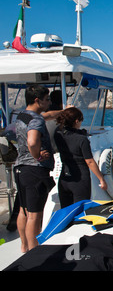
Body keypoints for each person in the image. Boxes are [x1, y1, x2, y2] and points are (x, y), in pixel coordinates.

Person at [14, 84, 56, 252]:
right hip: (35, 170)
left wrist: (63, 112)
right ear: (38, 100)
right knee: (35, 215)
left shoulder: (22, 115)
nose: (50, 102)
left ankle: (24, 246)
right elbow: (32, 141)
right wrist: (37, 155)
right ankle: (34, 252)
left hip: (20, 169)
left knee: (23, 211)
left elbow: (47, 116)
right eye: (47, 99)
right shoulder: (36, 120)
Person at [54, 107, 108, 208]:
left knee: (66, 212)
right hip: (80, 180)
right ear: (77, 121)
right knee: (80, 212)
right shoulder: (82, 140)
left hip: (65, 178)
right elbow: (89, 162)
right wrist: (101, 179)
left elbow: (66, 131)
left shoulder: (58, 134)